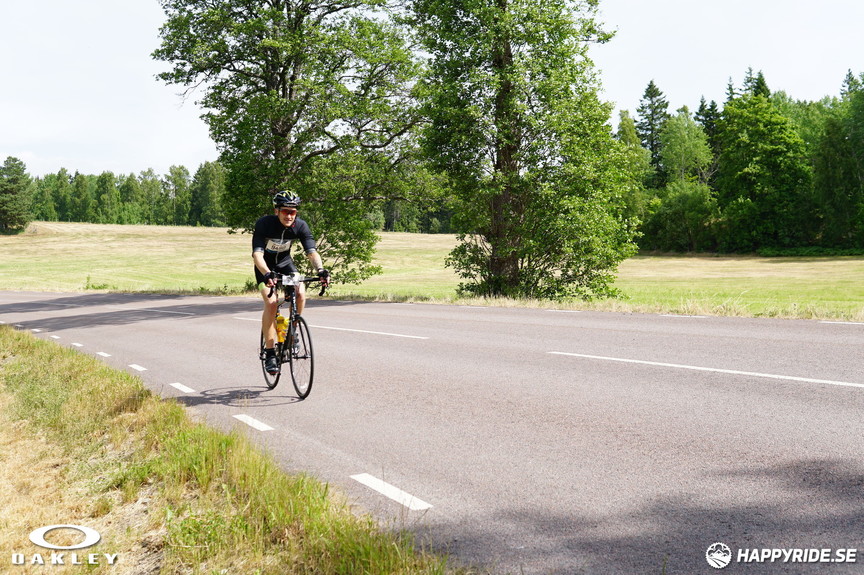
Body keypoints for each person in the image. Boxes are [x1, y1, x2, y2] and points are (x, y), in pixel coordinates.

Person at [252, 191, 329, 374]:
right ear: (276, 210)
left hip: (286, 264)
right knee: (271, 303)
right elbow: (257, 254)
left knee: (301, 292)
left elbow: (311, 252)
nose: (289, 216)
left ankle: (292, 332)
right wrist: (267, 273)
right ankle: (270, 353)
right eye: (285, 211)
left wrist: (321, 270)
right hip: (265, 267)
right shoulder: (264, 224)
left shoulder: (300, 226)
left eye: (293, 212)